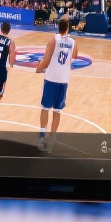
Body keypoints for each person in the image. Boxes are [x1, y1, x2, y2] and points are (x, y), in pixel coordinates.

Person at [35, 17, 78, 152]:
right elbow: (75, 56)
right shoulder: (73, 42)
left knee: (45, 108)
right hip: (64, 80)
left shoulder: (53, 40)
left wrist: (39, 68)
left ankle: (41, 139)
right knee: (57, 111)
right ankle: (51, 142)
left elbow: (46, 60)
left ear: (58, 27)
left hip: (51, 79)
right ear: (68, 28)